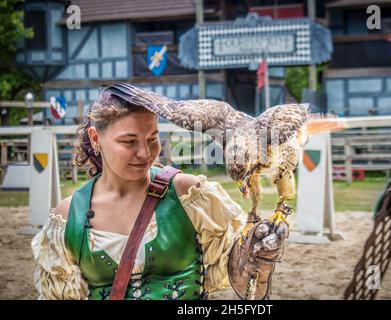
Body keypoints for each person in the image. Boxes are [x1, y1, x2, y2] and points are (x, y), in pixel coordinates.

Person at [31, 86, 284, 300]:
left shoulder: (187, 194)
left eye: (152, 138)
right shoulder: (68, 217)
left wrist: (255, 256)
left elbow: (236, 271)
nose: (145, 152)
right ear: (96, 138)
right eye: (129, 142)